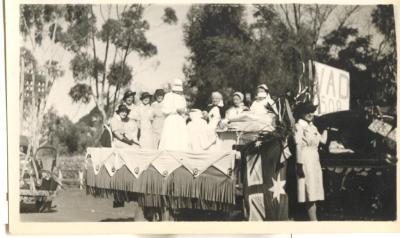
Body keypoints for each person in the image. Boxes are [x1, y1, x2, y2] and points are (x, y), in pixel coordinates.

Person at [294, 101, 328, 221]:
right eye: (307, 111)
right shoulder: (299, 126)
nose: (310, 114)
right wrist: (299, 165)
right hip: (305, 159)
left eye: (312, 111)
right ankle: (314, 221)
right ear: (301, 113)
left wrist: (326, 128)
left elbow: (322, 141)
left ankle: (314, 220)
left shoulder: (312, 126)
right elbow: (298, 145)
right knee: (309, 192)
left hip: (314, 159)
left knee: (315, 190)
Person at [158, 78, 189, 151]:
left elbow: (185, 109)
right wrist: (175, 110)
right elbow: (164, 110)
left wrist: (184, 112)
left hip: (180, 120)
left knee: (180, 140)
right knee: (170, 139)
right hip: (171, 119)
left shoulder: (182, 98)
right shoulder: (168, 96)